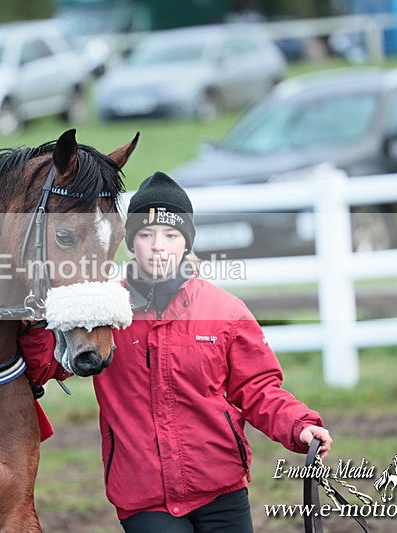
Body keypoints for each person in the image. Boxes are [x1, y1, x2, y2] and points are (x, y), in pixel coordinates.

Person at [92, 171, 332, 532]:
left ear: (186, 243)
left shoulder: (225, 312)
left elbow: (258, 388)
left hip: (220, 487)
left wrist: (299, 426)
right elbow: (48, 360)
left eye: (171, 235)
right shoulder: (105, 313)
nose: (158, 246)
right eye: (146, 235)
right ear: (130, 241)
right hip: (143, 495)